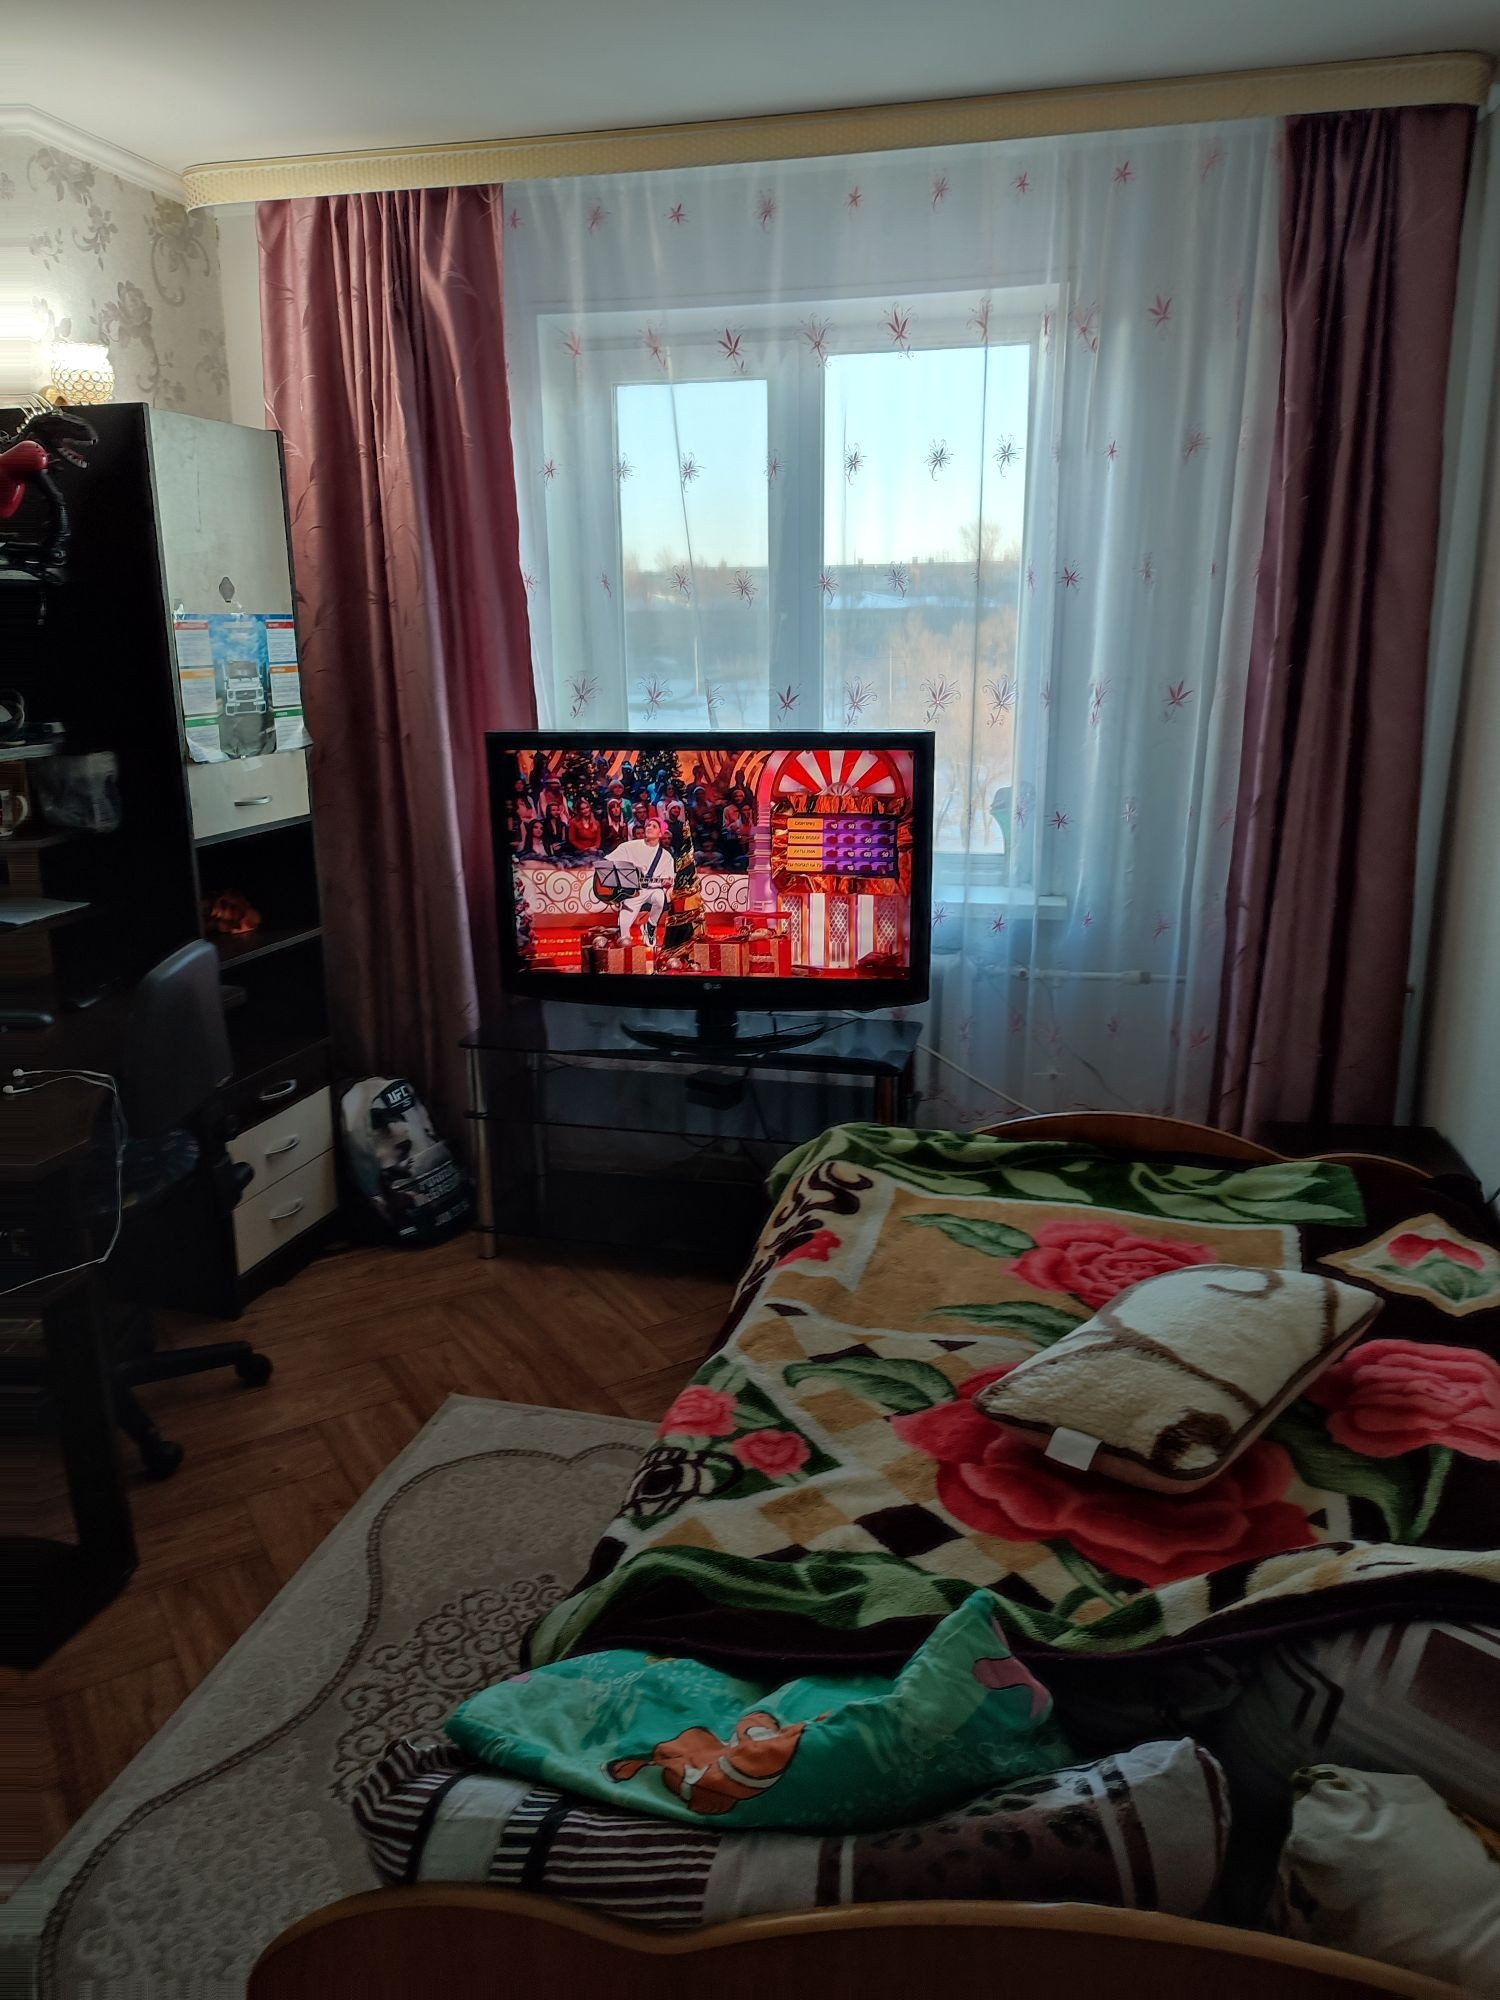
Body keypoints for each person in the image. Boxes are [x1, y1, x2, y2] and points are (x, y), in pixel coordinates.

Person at [597, 817, 673, 945]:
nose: (649, 828)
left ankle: (651, 925)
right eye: (648, 825)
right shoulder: (630, 846)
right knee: (623, 930)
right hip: (633, 891)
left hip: (652, 890)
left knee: (659, 897)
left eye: (654, 826)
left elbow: (668, 878)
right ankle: (625, 946)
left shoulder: (666, 856)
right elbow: (607, 862)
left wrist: (667, 884)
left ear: (660, 834)